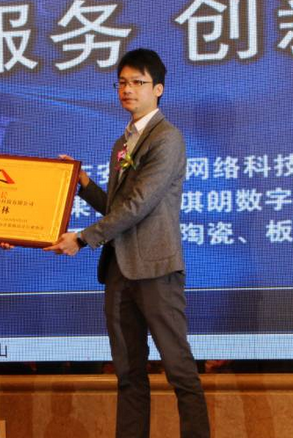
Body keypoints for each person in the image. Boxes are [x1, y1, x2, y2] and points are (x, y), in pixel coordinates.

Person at [45, 49, 210, 438]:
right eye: (122, 82)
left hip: (156, 269)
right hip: (119, 271)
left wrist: (82, 238)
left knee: (179, 369)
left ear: (158, 89)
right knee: (128, 373)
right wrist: (84, 185)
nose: (127, 90)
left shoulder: (167, 138)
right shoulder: (123, 142)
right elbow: (118, 208)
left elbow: (139, 205)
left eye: (137, 82)